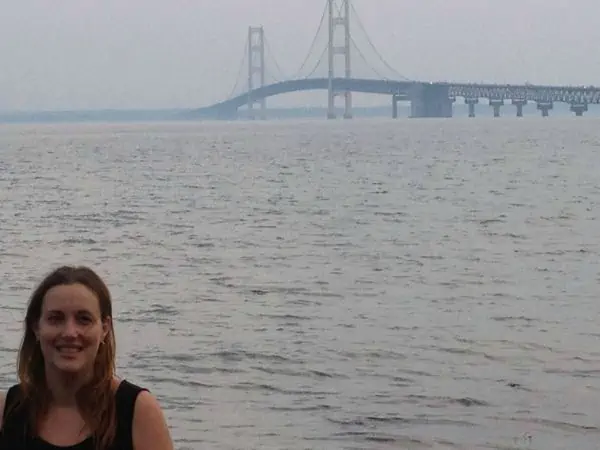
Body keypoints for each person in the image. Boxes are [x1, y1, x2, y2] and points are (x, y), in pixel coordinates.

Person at [0, 265, 173, 450]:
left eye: (84, 319)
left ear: (105, 328)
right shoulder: (7, 410)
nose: (69, 332)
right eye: (55, 318)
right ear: (36, 327)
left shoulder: (137, 411)